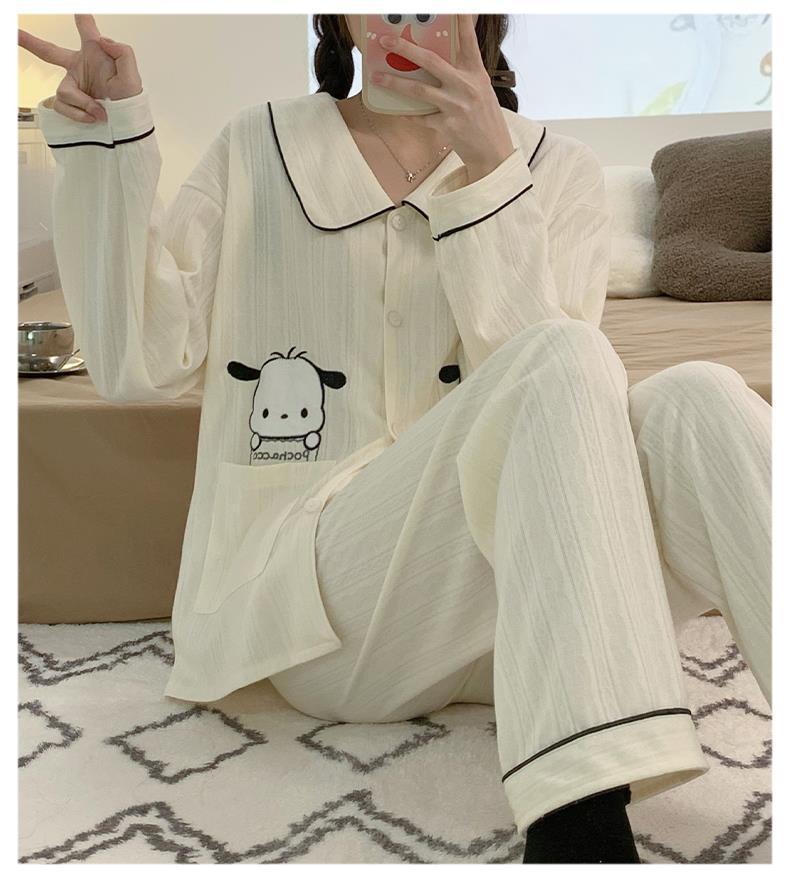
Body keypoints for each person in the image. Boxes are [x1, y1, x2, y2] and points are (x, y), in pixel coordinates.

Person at [19, 12, 771, 864]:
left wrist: (491, 172)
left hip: (526, 624)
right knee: (562, 352)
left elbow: (557, 407)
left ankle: (581, 768)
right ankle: (581, 829)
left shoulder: (559, 169)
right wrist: (111, 144)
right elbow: (138, 363)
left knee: (701, 397)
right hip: (326, 612)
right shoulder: (258, 146)